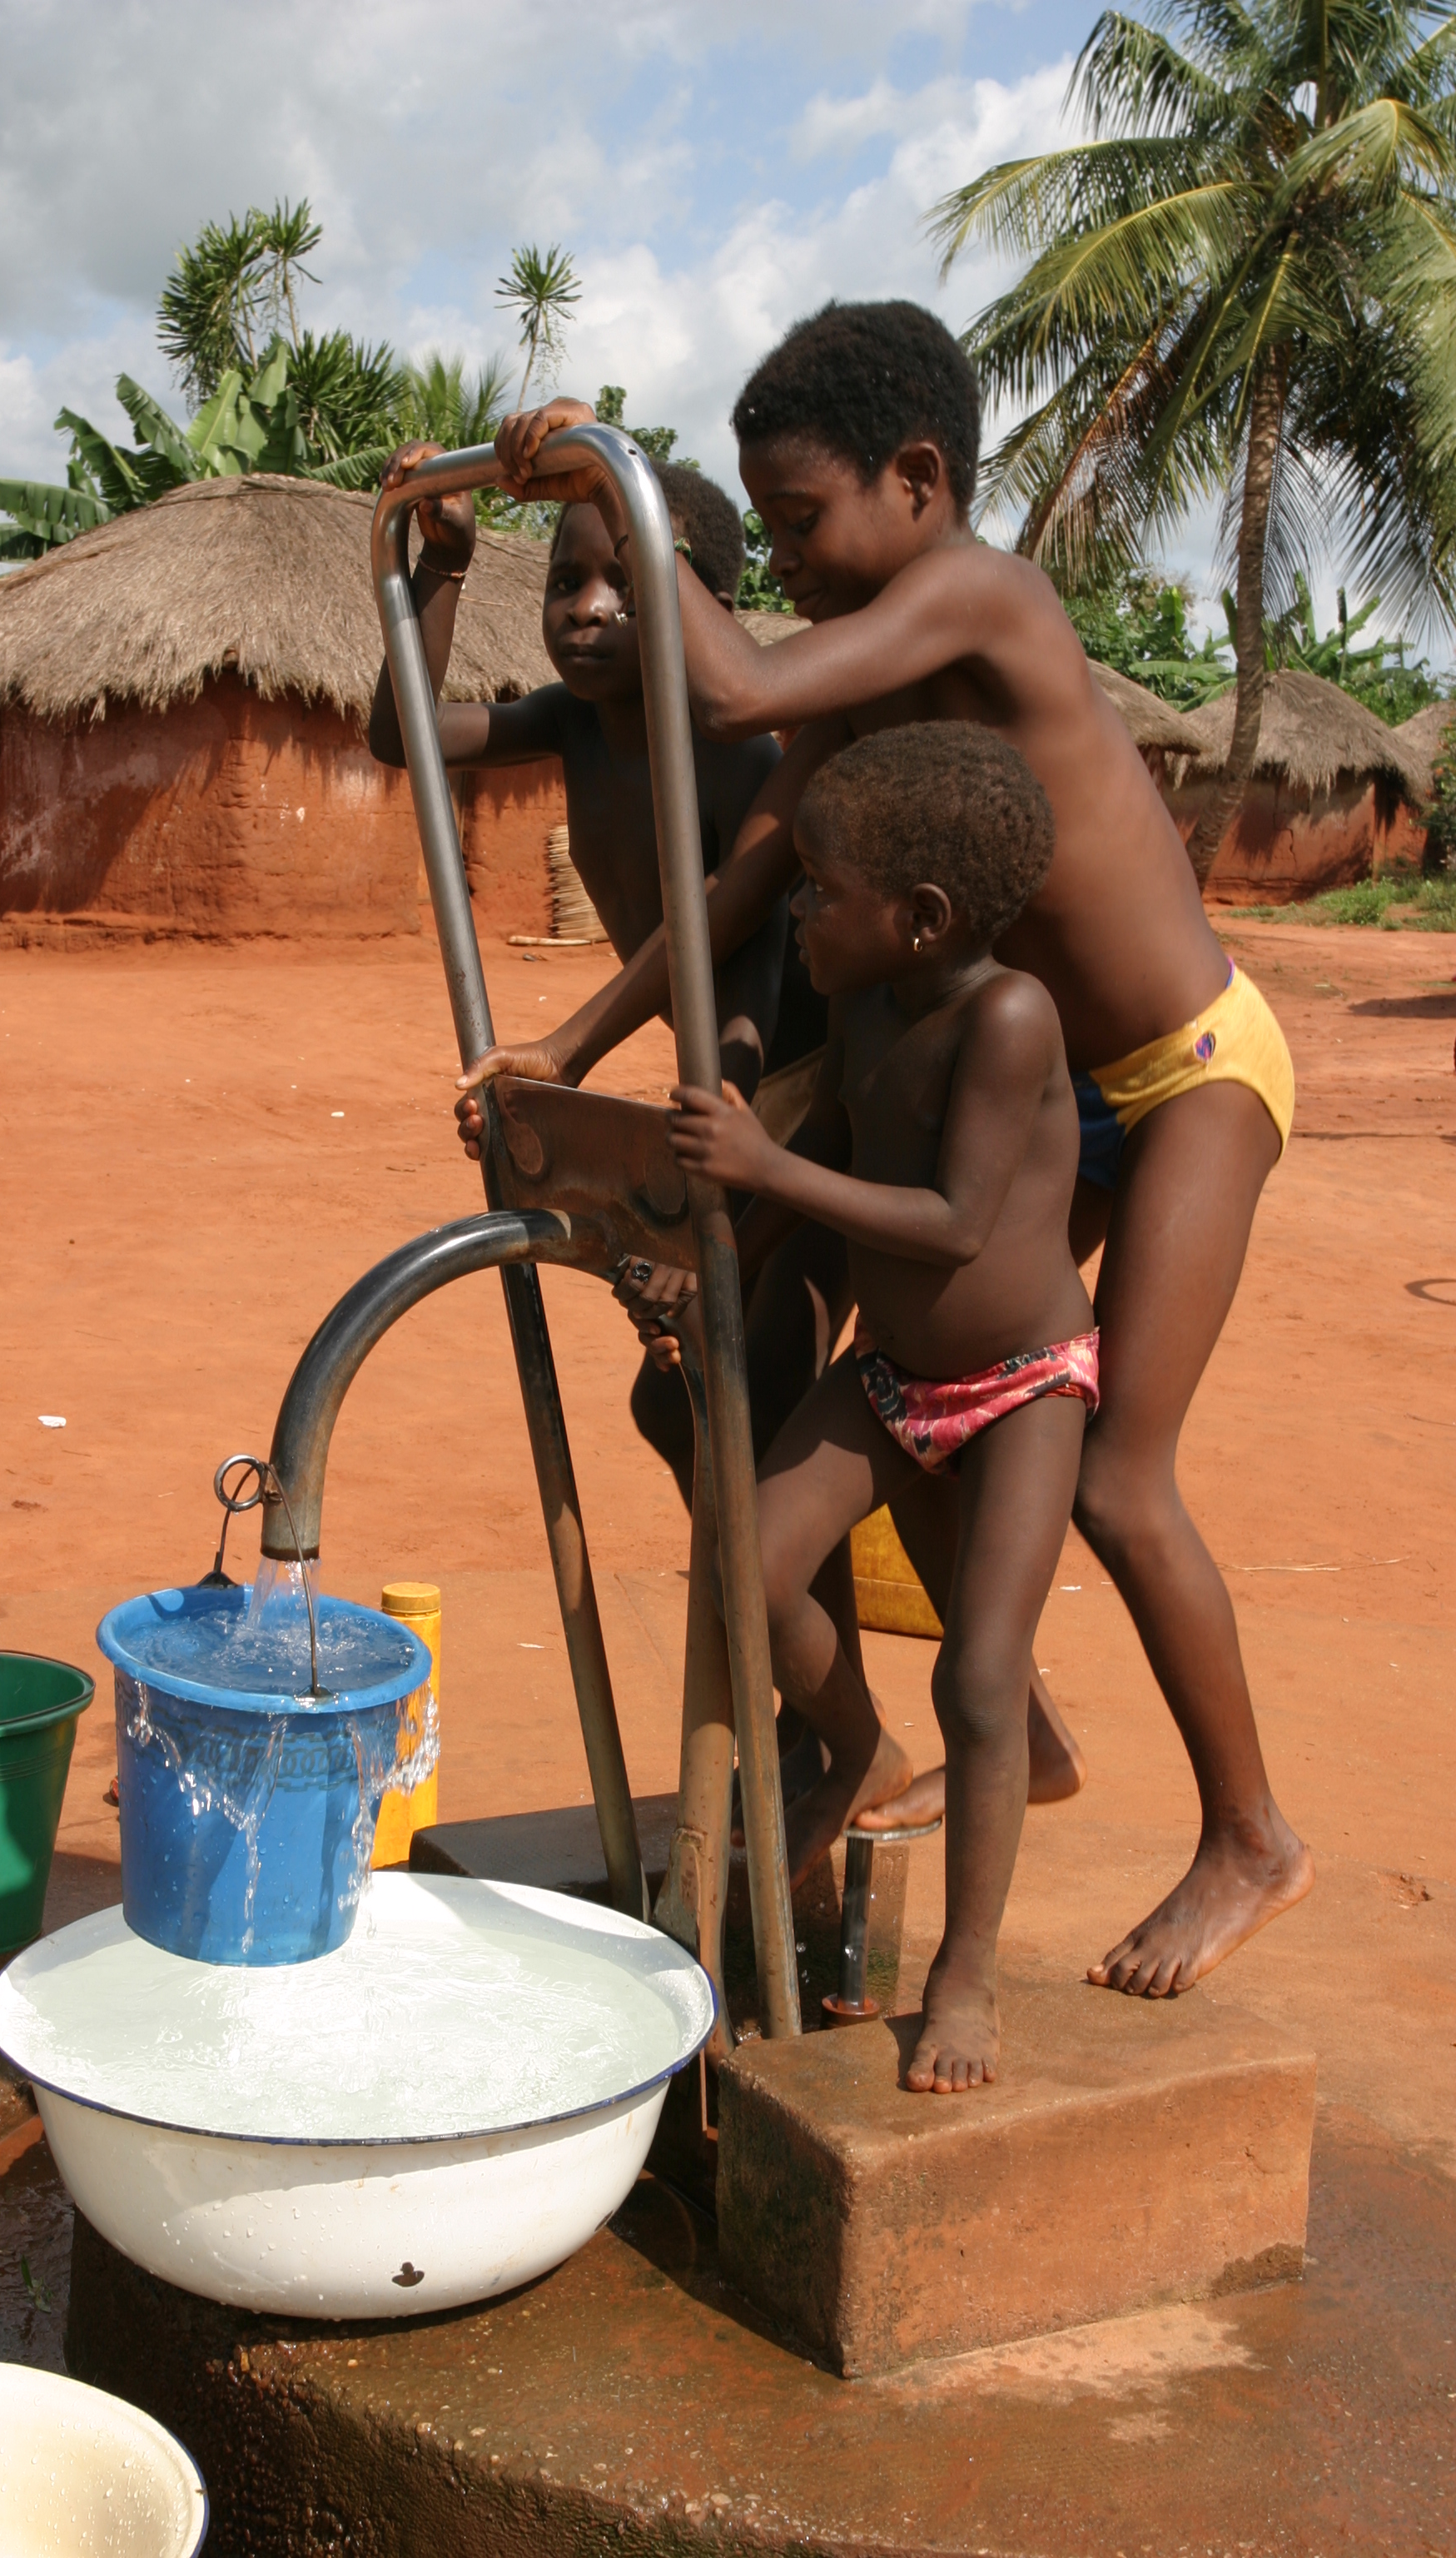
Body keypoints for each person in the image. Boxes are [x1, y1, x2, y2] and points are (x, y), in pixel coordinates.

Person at [466, 301, 1311, 2001]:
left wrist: (621, 479)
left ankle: (1248, 1834)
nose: (784, 558)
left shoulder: (982, 600)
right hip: (1048, 1087)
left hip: (1188, 1072)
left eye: (796, 523)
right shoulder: (869, 674)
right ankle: (990, 1718)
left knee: (1119, 1472)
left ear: (918, 482)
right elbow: (746, 882)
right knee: (922, 1364)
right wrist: (563, 1046)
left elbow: (736, 678)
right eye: (762, 530)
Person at [639, 724, 1093, 2093]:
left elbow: (954, 1221)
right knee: (745, 1565)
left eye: (820, 891)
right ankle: (852, 1741)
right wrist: (716, 1251)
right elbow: (844, 1138)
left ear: (920, 918)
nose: (795, 909)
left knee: (979, 1670)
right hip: (891, 1378)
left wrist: (763, 1172)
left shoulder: (1006, 1017)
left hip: (1014, 1390)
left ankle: (961, 1981)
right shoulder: (865, 1002)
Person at [368, 444, 842, 1530]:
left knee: (736, 1403)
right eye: (564, 582)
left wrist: (715, 1173)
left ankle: (781, 1652)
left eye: (624, 587)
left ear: (703, 609)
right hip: (730, 1082)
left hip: (802, 1091)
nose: (585, 611)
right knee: (701, 1408)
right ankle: (776, 1657)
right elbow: (403, 735)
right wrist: (443, 571)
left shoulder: (730, 756)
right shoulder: (568, 719)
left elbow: (751, 967)